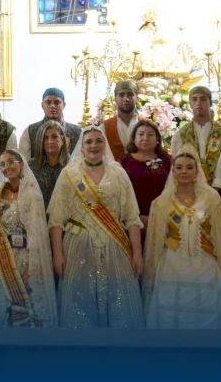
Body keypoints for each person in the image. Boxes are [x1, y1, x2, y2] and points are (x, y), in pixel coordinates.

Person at [48, 126, 145, 329]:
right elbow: (56, 220)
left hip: (114, 244)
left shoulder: (118, 174)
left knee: (117, 302)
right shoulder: (69, 175)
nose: (94, 145)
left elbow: (131, 217)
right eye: (89, 142)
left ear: (105, 145)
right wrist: (57, 255)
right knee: (80, 302)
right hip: (78, 246)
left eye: (99, 141)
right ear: (81, 148)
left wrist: (137, 253)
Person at [143, 151, 221, 329]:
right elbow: (157, 238)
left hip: (206, 261)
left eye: (189, 167)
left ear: (196, 172)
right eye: (179, 167)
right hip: (172, 263)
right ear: (173, 172)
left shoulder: (211, 198)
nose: (184, 171)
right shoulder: (161, 202)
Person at [0, 149, 57, 327]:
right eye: (2, 164)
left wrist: (32, 268)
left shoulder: (31, 194)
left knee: (20, 308)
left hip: (21, 258)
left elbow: (36, 234)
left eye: (11, 162)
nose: (7, 167)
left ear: (21, 164)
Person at [170, 85, 221, 216]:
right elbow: (175, 163)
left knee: (219, 227)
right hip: (189, 192)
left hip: (217, 192)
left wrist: (215, 188)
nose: (198, 103)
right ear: (190, 104)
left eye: (203, 99)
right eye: (194, 99)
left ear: (210, 103)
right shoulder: (181, 134)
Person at [120, 119, 171, 228]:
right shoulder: (124, 161)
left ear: (157, 139)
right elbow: (119, 192)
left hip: (162, 219)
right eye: (141, 134)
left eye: (150, 135)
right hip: (131, 220)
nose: (145, 138)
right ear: (134, 138)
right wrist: (136, 217)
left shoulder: (167, 161)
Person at [20, 87, 82, 160]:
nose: (52, 106)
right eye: (48, 102)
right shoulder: (30, 131)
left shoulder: (77, 132)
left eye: (57, 102)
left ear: (64, 105)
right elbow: (24, 163)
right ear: (42, 105)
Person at [27, 120, 70, 207]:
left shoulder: (72, 165)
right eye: (45, 138)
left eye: (54, 137)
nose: (50, 141)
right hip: (37, 213)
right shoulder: (31, 166)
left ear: (62, 140)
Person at [102, 80, 139, 161]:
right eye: (121, 95)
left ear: (137, 98)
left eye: (130, 94)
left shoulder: (147, 125)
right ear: (115, 99)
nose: (126, 99)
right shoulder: (105, 127)